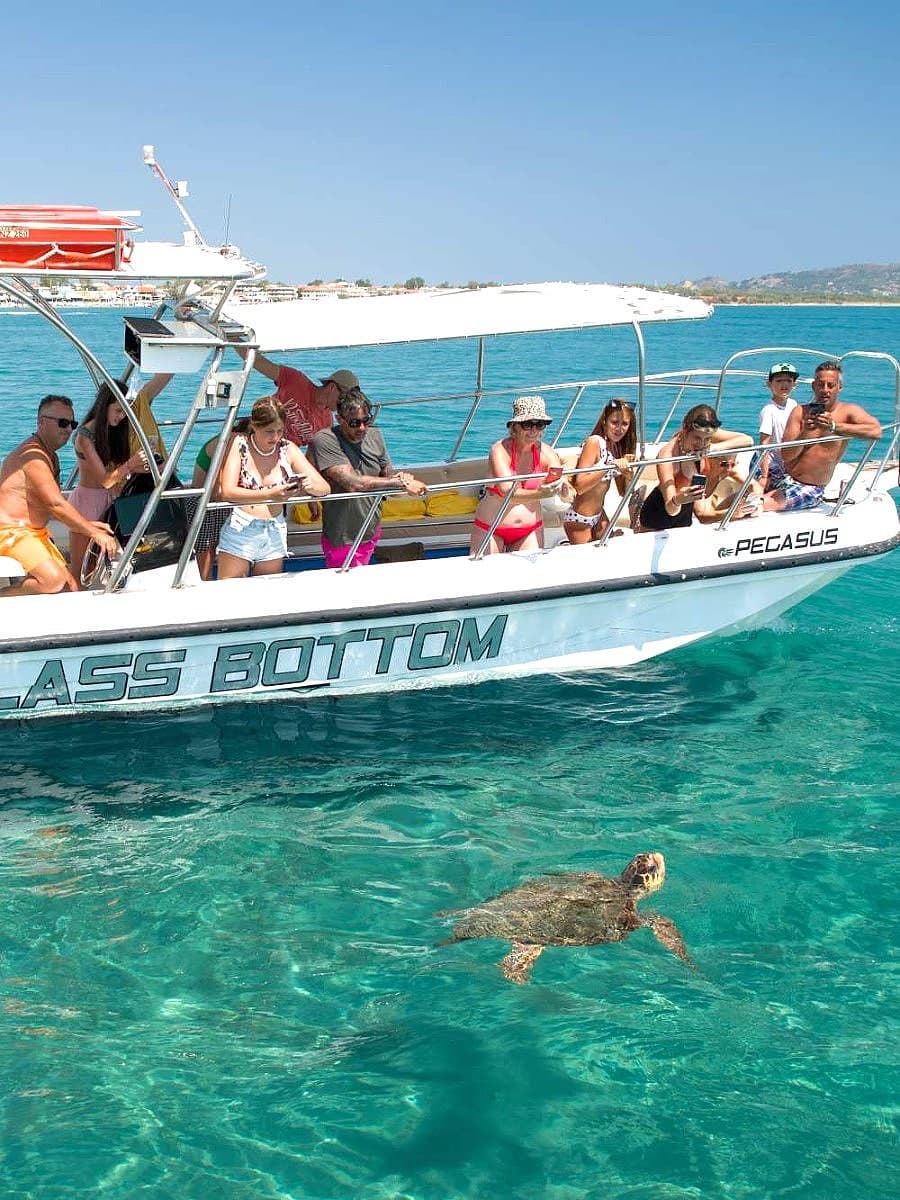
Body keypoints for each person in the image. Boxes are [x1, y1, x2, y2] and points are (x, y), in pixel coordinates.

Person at [0, 395, 119, 596]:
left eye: (72, 424)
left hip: (34, 534)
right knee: (53, 581)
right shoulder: (33, 457)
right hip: (12, 533)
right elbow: (55, 504)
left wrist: (88, 525)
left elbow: (48, 503)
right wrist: (92, 531)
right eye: (62, 423)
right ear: (40, 422)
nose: (68, 429)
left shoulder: (50, 457)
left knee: (69, 587)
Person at [216, 397, 329, 580]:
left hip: (275, 530)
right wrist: (271, 493)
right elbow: (226, 491)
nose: (275, 437)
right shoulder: (239, 444)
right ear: (254, 426)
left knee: (266, 597)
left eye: (280, 431)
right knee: (230, 595)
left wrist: (308, 487)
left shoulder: (288, 448)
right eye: (269, 431)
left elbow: (324, 487)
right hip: (241, 529)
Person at [311, 393, 427, 568]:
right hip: (342, 535)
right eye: (355, 423)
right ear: (339, 419)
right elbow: (353, 483)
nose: (362, 428)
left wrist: (401, 478)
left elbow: (387, 474)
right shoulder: (326, 439)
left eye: (367, 421)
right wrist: (401, 483)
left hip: (371, 527)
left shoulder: (375, 435)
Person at [763, 360, 883, 512]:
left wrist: (835, 426)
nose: (825, 390)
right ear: (813, 386)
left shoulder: (848, 412)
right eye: (820, 385)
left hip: (809, 488)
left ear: (839, 387)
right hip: (784, 477)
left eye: (830, 385)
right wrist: (805, 433)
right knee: (740, 496)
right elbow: (787, 456)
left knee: (753, 505)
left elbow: (876, 431)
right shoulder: (800, 412)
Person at [68, 382, 149, 585]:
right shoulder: (84, 437)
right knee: (81, 568)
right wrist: (130, 465)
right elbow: (105, 480)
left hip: (109, 500)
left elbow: (115, 473)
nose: (121, 416)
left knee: (99, 565)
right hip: (87, 502)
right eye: (118, 410)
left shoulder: (110, 432)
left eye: (124, 412)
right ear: (105, 406)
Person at [470, 395, 568, 554]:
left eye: (540, 425)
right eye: (528, 425)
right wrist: (540, 493)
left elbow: (563, 489)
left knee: (528, 578)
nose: (534, 431)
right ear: (515, 427)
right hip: (491, 527)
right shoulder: (499, 450)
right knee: (486, 576)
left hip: (530, 529)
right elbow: (507, 492)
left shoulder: (547, 452)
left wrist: (564, 489)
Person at [638, 405, 752, 532]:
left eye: (707, 439)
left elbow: (748, 440)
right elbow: (671, 509)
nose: (701, 445)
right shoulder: (667, 456)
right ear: (685, 430)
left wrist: (713, 448)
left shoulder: (704, 441)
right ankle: (636, 508)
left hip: (684, 521)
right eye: (696, 438)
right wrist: (678, 500)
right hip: (656, 519)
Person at [241, 349, 367, 446]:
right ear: (332, 388)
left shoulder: (327, 423)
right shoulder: (296, 380)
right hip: (254, 435)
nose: (345, 403)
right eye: (344, 397)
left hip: (281, 455)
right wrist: (232, 337)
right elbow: (257, 361)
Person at [563, 397, 636, 543]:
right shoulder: (594, 442)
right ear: (604, 422)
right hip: (579, 519)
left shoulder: (616, 447)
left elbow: (623, 492)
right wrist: (608, 467)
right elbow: (580, 486)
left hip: (599, 516)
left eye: (625, 424)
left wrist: (628, 475)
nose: (619, 428)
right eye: (614, 422)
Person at [757, 362, 799, 491]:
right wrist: (764, 476)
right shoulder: (769, 410)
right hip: (773, 465)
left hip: (788, 463)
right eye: (779, 380)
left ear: (794, 385)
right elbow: (764, 444)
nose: (784, 384)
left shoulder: (794, 404)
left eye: (788, 381)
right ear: (769, 384)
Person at [693, 450, 762, 522]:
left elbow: (753, 485)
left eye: (733, 464)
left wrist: (759, 502)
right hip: (684, 519)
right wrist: (731, 513)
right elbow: (701, 516)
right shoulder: (699, 476)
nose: (728, 469)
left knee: (742, 495)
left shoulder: (729, 469)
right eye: (724, 464)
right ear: (710, 461)